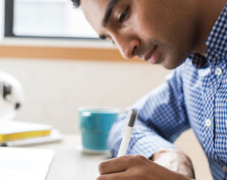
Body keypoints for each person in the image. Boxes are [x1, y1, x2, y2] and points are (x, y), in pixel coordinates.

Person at [71, 0, 227, 179]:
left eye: (123, 15)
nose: (126, 52)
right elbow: (125, 125)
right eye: (111, 40)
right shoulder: (190, 72)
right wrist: (169, 156)